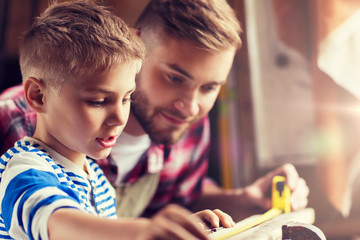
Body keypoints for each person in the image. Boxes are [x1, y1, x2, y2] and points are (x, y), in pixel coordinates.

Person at [0, 0, 309, 223]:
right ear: (137, 47)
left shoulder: (188, 125)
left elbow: (177, 199)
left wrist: (246, 200)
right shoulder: (15, 124)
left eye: (209, 88)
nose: (190, 106)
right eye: (174, 78)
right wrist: (144, 233)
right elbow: (54, 216)